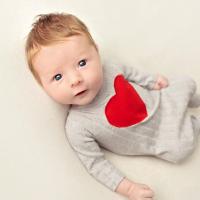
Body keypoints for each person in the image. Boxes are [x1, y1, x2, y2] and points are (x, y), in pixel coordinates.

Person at [25, 12, 200, 200]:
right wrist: (129, 189)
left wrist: (152, 82)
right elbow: (96, 164)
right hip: (157, 137)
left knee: (186, 83)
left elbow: (131, 73)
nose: (75, 80)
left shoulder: (109, 68)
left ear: (97, 53)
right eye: (58, 77)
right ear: (43, 85)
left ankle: (193, 101)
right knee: (180, 149)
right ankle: (194, 123)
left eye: (82, 63)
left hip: (160, 101)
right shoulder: (78, 127)